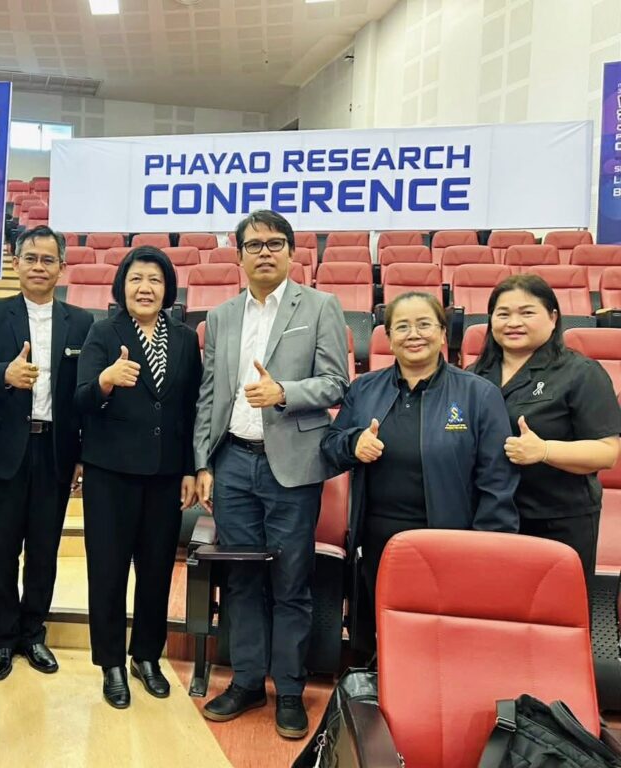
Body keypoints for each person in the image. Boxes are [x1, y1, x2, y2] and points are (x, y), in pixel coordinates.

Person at [193, 210, 348, 739]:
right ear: (238, 255)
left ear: (291, 252)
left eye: (275, 243)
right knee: (241, 580)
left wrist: (284, 391)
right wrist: (203, 462)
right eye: (254, 244)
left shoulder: (320, 306)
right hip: (233, 462)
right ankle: (246, 682)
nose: (264, 252)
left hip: (292, 465)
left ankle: (289, 690)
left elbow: (336, 383)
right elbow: (210, 395)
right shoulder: (221, 317)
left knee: (290, 582)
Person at [322, 292, 519, 625]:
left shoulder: (478, 393)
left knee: (442, 631)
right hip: (378, 539)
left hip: (451, 541)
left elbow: (497, 480)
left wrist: (486, 547)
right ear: (389, 339)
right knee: (384, 629)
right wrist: (354, 443)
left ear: (442, 334)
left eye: (424, 324)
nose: (413, 334)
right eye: (402, 327)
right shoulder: (364, 388)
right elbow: (330, 446)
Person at [75, 246, 201, 709]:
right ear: (121, 287)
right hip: (110, 474)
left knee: (156, 571)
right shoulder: (102, 332)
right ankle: (110, 662)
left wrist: (189, 468)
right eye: (135, 279)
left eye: (154, 279)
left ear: (167, 288)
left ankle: (146, 656)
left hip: (165, 475)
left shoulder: (184, 338)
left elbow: (190, 408)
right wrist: (106, 380)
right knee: (107, 571)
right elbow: (80, 398)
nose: (145, 288)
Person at [0, 225, 93, 681]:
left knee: (44, 549)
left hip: (56, 449)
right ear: (16, 263)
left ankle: (33, 633)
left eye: (48, 259)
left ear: (62, 266)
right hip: (6, 450)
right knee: (2, 549)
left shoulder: (82, 321)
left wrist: (81, 454)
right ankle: (3, 637)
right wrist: (5, 375)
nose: (39, 267)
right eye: (30, 258)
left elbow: (84, 393)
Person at [470, 274, 621, 583]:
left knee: (556, 609)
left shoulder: (581, 373)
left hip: (557, 520)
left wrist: (544, 451)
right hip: (487, 518)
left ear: (553, 318)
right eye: (503, 314)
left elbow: (607, 452)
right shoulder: (473, 376)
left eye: (527, 312)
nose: (513, 322)